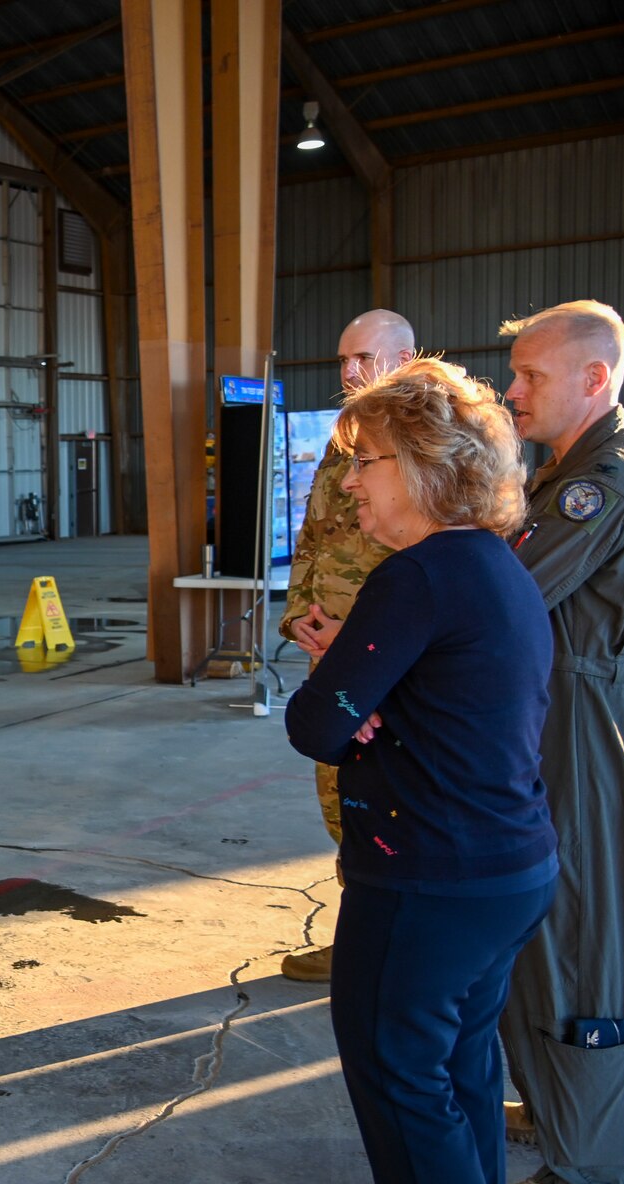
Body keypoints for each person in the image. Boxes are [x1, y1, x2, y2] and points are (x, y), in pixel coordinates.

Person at [285, 358, 555, 1184]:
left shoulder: (411, 576)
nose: (350, 480)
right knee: (462, 1081)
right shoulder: (493, 566)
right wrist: (363, 690)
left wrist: (346, 694)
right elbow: (450, 706)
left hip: (423, 887)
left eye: (367, 460)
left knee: (404, 1094)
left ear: (429, 466)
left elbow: (315, 726)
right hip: (503, 874)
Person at [496, 301, 624, 1184]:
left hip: (585, 731)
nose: (512, 390)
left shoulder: (601, 484)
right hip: (555, 718)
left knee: (583, 941)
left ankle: (596, 1179)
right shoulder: (572, 469)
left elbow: (507, 593)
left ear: (594, 379)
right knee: (539, 928)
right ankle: (560, 1110)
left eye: (530, 375)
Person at [279, 309, 417, 984]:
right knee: (341, 803)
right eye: (343, 360)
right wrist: (295, 618)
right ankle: (357, 936)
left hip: (387, 660)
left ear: (405, 356)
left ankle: (396, 947)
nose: (349, 371)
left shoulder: (425, 443)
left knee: (396, 803)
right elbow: (314, 539)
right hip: (328, 656)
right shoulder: (344, 442)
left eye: (363, 357)